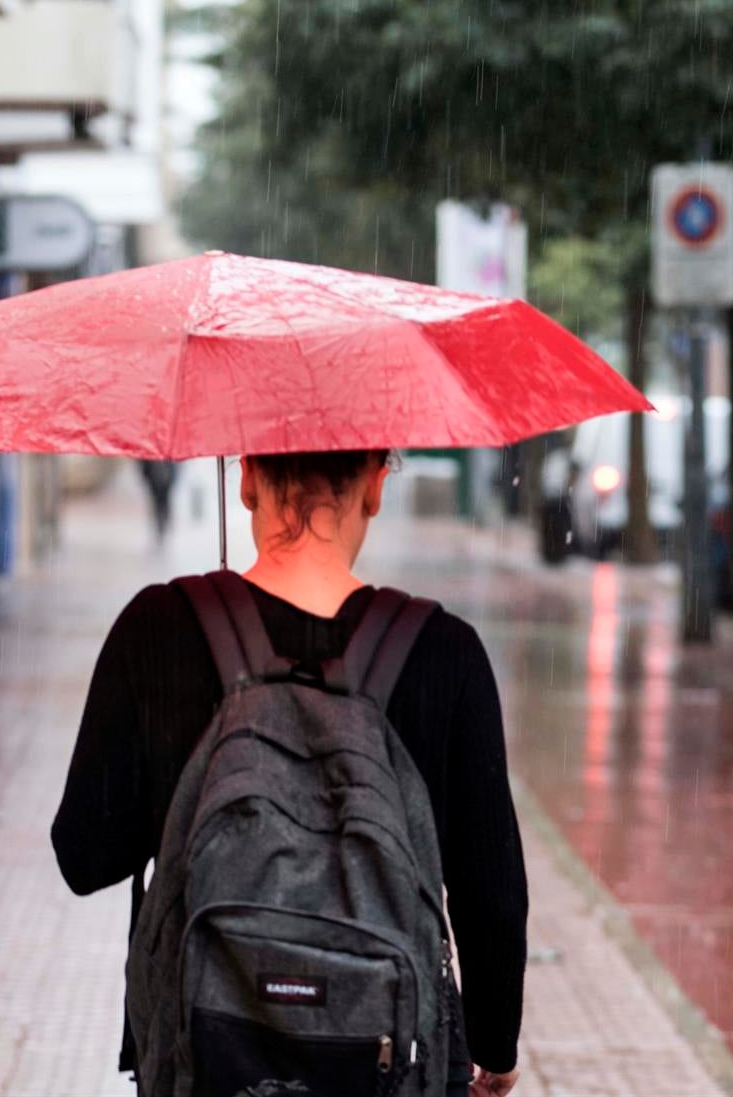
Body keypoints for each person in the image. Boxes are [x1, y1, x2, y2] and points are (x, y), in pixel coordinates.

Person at [53, 449, 528, 1096]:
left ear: (246, 477)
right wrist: (494, 1044)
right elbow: (492, 892)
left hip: (205, 1063)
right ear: (376, 484)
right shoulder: (444, 652)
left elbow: (85, 854)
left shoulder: (159, 627)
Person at [138, 457, 178, 541]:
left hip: (165, 478)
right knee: (158, 501)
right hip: (155, 478)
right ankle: (161, 524)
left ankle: (163, 523)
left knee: (162, 500)